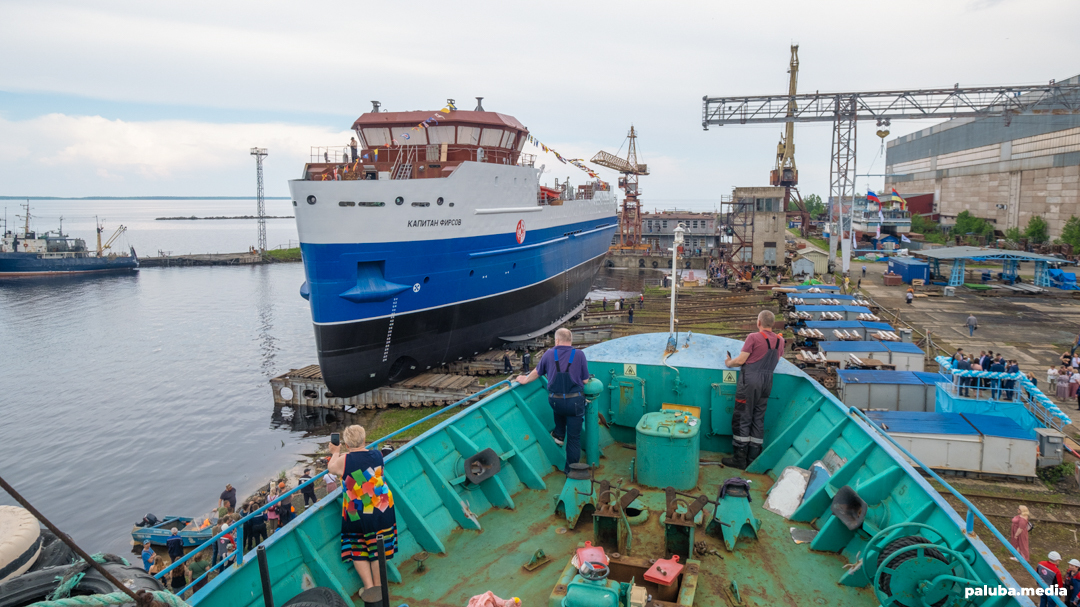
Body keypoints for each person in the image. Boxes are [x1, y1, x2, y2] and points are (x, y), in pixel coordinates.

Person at [328, 424, 398, 593]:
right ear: (364, 440)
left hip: (356, 512)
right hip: (381, 507)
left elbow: (331, 468)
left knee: (359, 548)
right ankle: (380, 587)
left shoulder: (344, 460)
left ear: (346, 445)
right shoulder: (377, 454)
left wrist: (334, 451)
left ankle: (369, 588)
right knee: (378, 548)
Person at [517, 328, 589, 473]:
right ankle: (571, 471)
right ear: (571, 340)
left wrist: (524, 380)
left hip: (556, 402)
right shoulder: (579, 354)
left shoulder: (549, 354)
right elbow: (585, 380)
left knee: (559, 409)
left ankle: (559, 434)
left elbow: (537, 372)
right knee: (574, 440)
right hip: (575, 403)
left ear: (556, 340)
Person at [723, 310, 785, 469]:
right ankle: (753, 459)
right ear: (773, 324)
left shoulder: (753, 337)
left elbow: (742, 360)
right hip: (767, 382)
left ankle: (739, 459)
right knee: (758, 417)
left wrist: (729, 363)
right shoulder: (780, 341)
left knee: (743, 415)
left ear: (759, 323)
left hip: (750, 381)